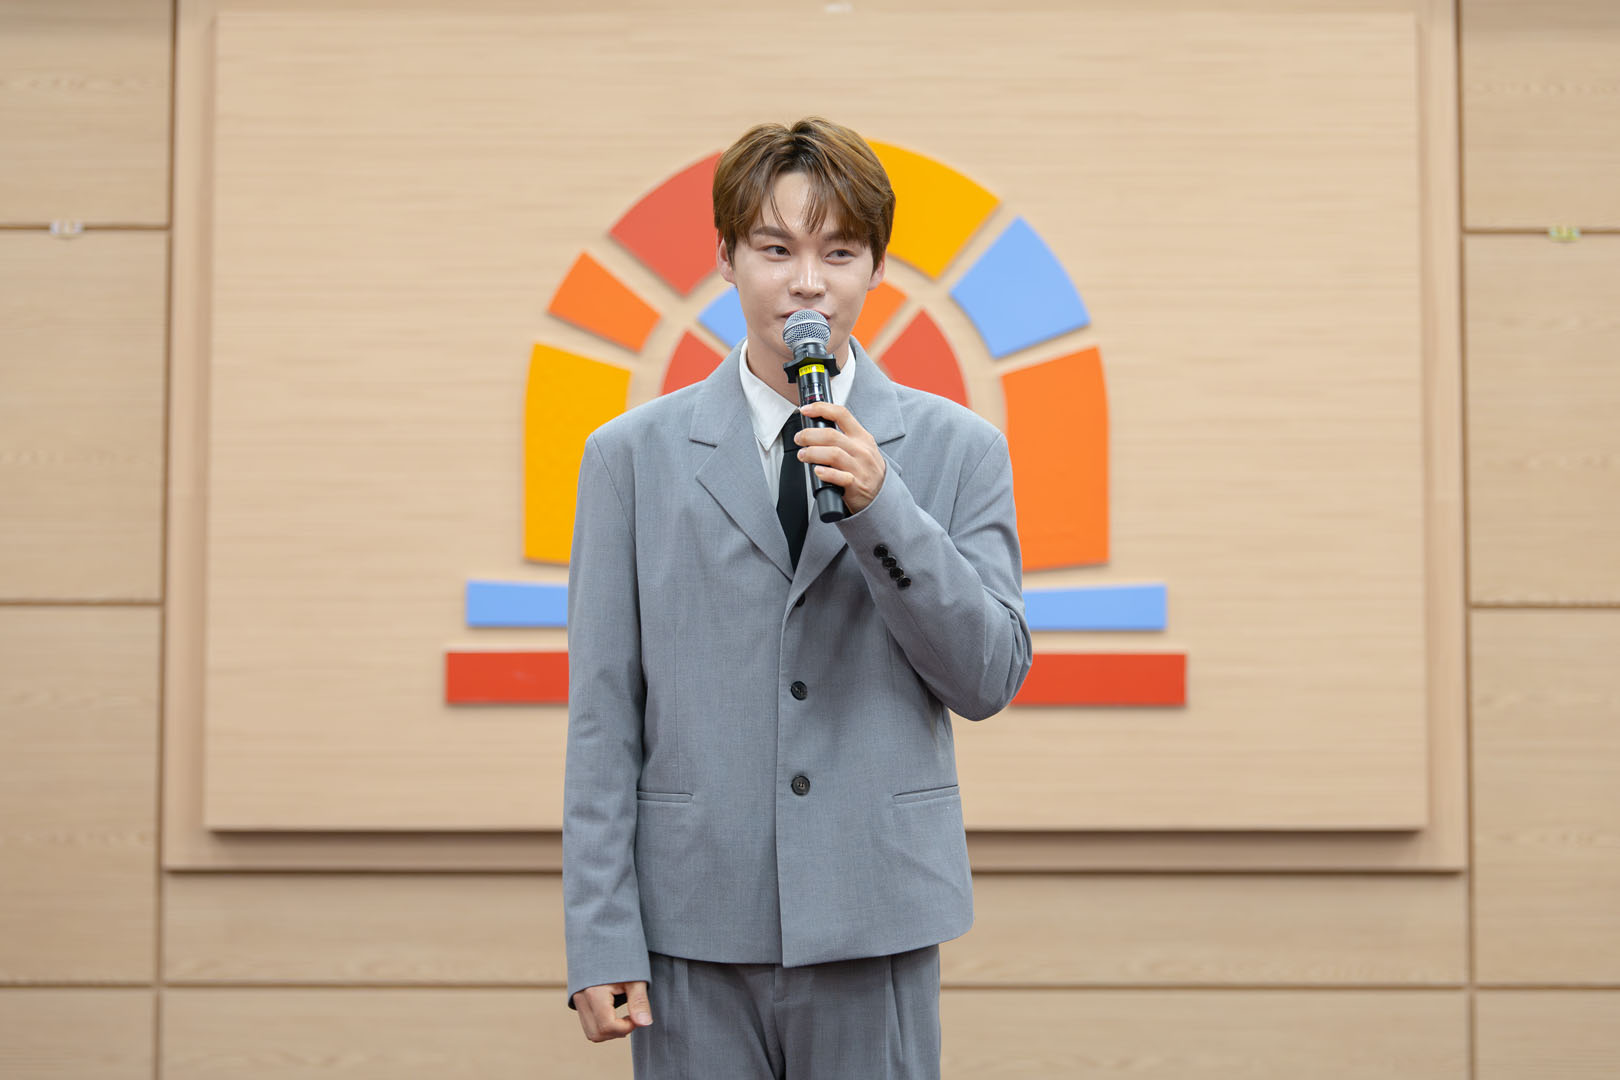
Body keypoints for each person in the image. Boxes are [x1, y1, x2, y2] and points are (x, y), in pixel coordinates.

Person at [563, 117, 1031, 1078]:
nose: (807, 283)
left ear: (877, 268)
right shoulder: (628, 460)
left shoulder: (961, 450)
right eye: (776, 250)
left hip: (876, 910)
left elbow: (987, 677)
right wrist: (600, 932)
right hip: (693, 920)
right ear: (726, 260)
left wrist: (884, 508)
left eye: (839, 253)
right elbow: (602, 713)